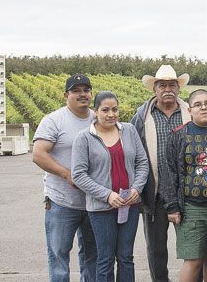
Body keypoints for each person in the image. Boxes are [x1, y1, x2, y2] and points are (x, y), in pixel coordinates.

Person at [159, 89, 207, 282]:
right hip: (191, 207)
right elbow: (168, 172)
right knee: (193, 259)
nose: (203, 107)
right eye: (198, 104)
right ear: (189, 109)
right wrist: (172, 207)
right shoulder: (178, 135)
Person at [72, 91, 149, 282]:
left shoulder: (129, 130)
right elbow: (79, 175)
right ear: (95, 111)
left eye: (115, 109)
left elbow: (142, 163)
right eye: (105, 110)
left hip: (129, 205)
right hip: (101, 209)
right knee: (105, 259)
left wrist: (136, 189)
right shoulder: (84, 138)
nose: (111, 114)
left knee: (126, 257)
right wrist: (107, 195)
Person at [32, 73, 98, 282]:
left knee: (92, 256)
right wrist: (66, 174)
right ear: (65, 95)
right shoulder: (54, 120)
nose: (82, 94)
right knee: (59, 255)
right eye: (76, 91)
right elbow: (38, 154)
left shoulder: (98, 119)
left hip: (93, 202)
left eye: (86, 90)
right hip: (62, 201)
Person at [130, 64, 191, 282]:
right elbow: (132, 150)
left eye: (172, 85)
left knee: (192, 248)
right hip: (154, 193)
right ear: (154, 89)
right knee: (156, 249)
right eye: (162, 85)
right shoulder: (142, 115)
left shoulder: (189, 112)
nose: (167, 89)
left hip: (186, 193)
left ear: (178, 88)